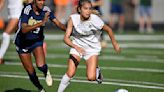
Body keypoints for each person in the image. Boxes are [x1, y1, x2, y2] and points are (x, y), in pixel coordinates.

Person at [57, 0, 121, 92]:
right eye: (85, 8)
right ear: (79, 9)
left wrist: (115, 44)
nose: (88, 11)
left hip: (92, 49)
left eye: (89, 9)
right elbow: (66, 38)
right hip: (77, 46)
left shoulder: (95, 19)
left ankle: (97, 71)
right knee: (70, 73)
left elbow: (109, 30)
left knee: (91, 77)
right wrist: (76, 47)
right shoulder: (73, 19)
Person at [14, 0, 66, 91]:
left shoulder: (46, 10)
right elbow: (24, 29)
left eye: (43, 0)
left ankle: (46, 71)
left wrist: (70, 31)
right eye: (39, 0)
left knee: (41, 65)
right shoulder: (27, 9)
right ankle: (40, 88)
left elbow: (58, 23)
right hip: (22, 43)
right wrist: (41, 23)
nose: (42, 2)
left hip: (36, 41)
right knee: (31, 72)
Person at [0, 0, 24, 64]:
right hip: (11, 14)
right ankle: (39, 45)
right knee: (21, 35)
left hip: (17, 14)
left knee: (6, 34)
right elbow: (2, 3)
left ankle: (0, 56)